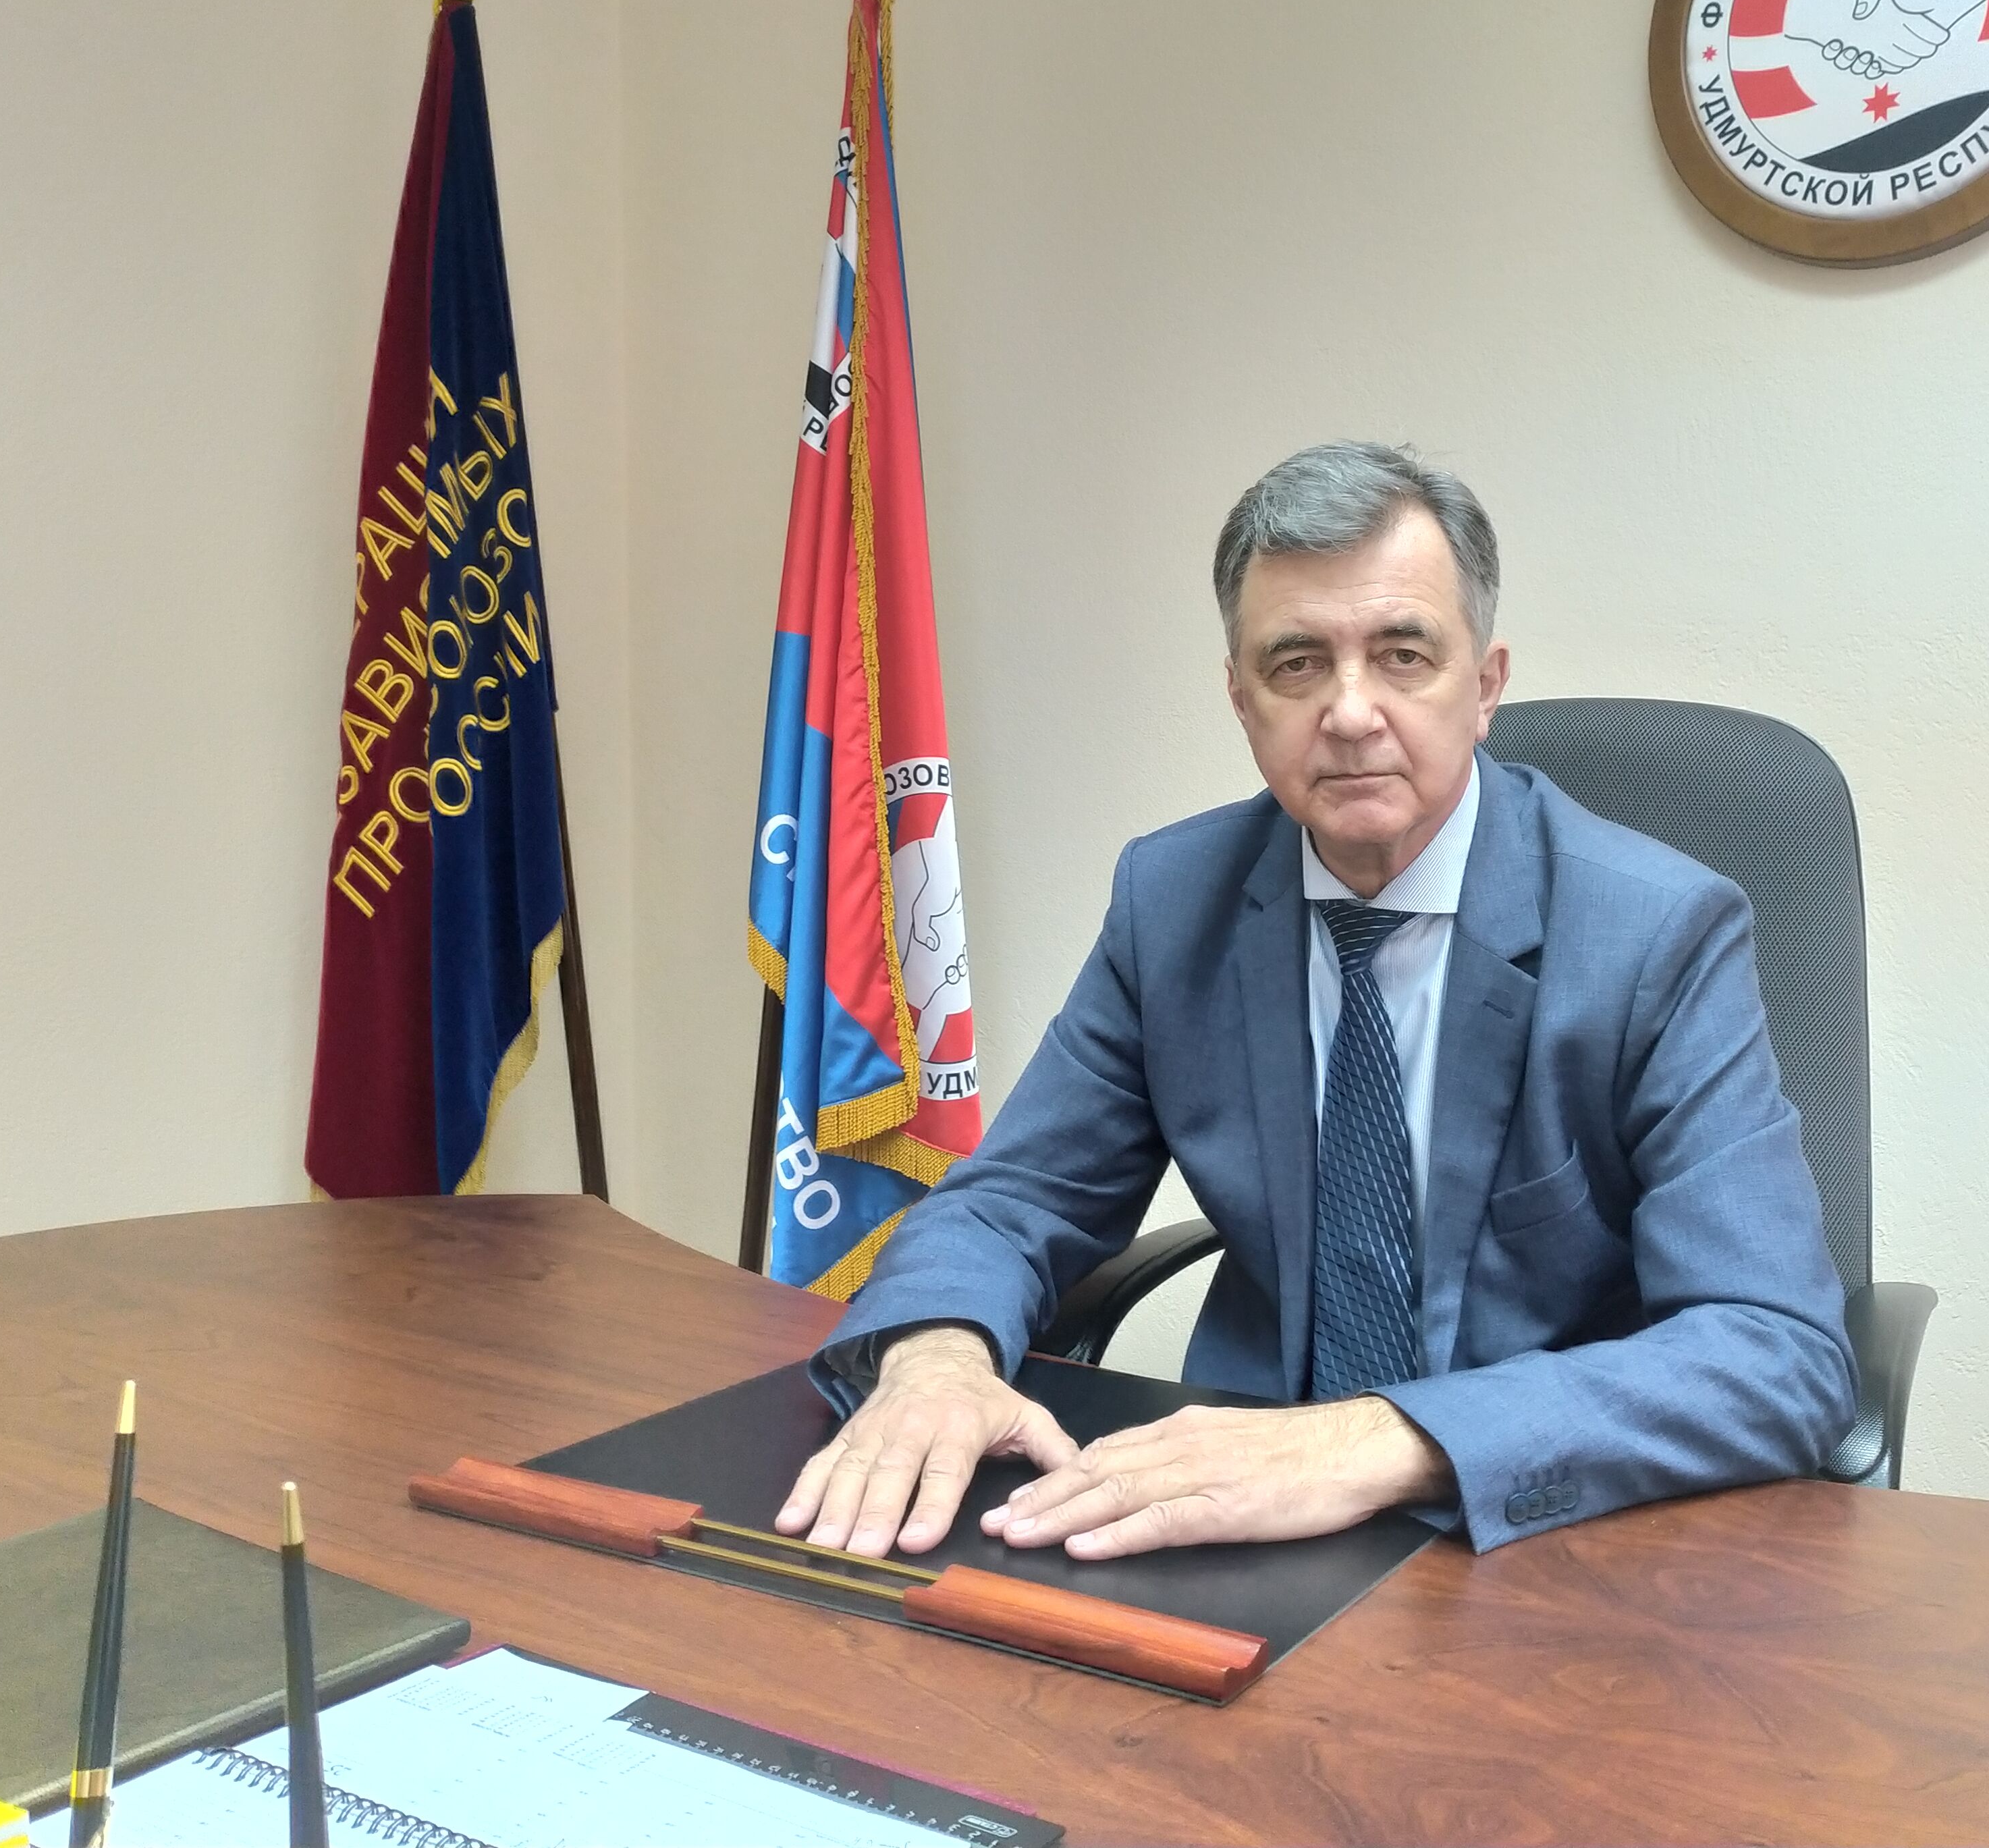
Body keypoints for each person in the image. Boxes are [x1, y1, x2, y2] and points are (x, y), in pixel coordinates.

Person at [775, 441, 1854, 1560]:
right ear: (1241, 700)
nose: (1349, 712)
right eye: (1297, 664)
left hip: (1536, 1524)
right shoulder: (1173, 903)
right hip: (1240, 1514)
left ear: (1485, 687)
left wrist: (1379, 1440)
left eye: (1403, 656)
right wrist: (936, 1357)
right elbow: (1013, 1200)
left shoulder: (1656, 933)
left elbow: (1776, 1351)